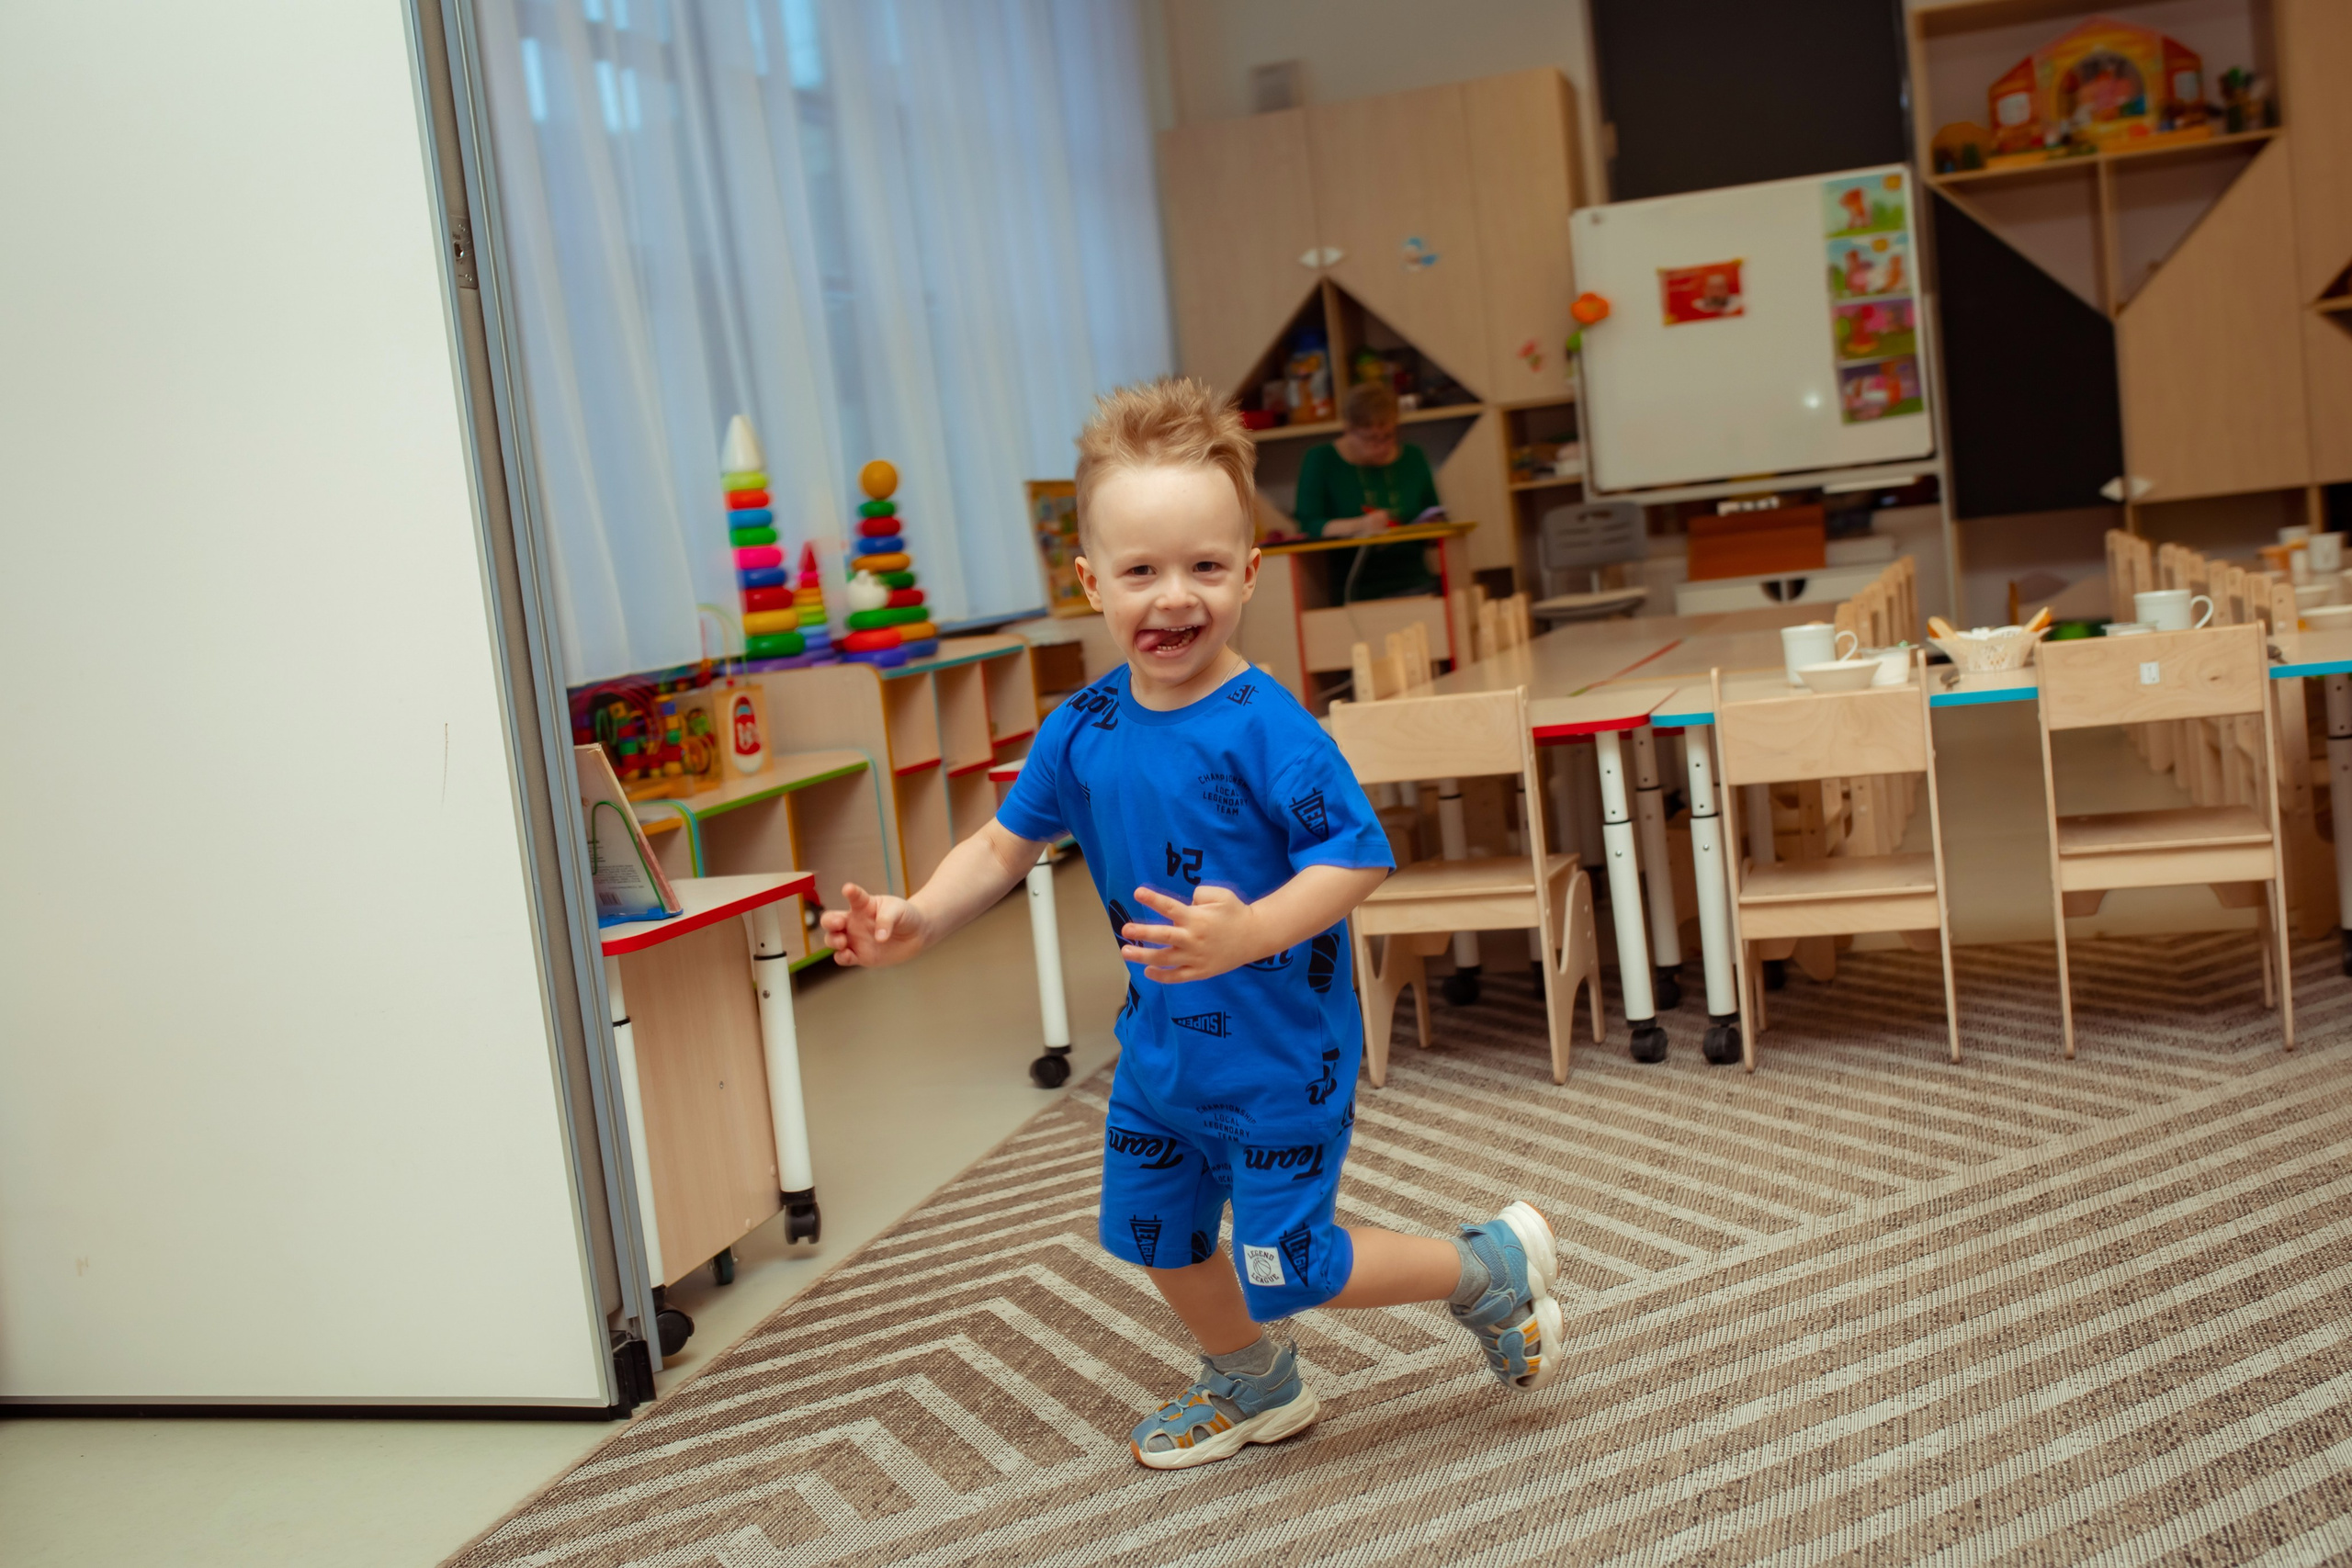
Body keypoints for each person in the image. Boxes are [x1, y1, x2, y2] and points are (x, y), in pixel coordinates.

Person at [821, 378, 1563, 1470]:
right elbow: (998, 847)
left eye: (1205, 568)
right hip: (1160, 1049)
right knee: (1160, 1236)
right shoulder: (1081, 729)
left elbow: (1355, 856)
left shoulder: (1269, 728)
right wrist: (918, 919)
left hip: (1278, 1049)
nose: (1174, 598)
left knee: (1292, 1264)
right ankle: (1256, 1382)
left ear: (1250, 573)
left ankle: (1484, 1268)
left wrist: (1249, 932)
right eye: (1141, 571)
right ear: (1090, 584)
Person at [1293, 379, 1442, 603]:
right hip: (1355, 591)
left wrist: (1432, 527)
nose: (1382, 446)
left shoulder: (1413, 457)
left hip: (1415, 583)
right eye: (1371, 438)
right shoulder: (1321, 460)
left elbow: (1433, 513)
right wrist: (1360, 526)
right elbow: (1309, 525)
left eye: (1389, 436)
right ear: (1348, 429)